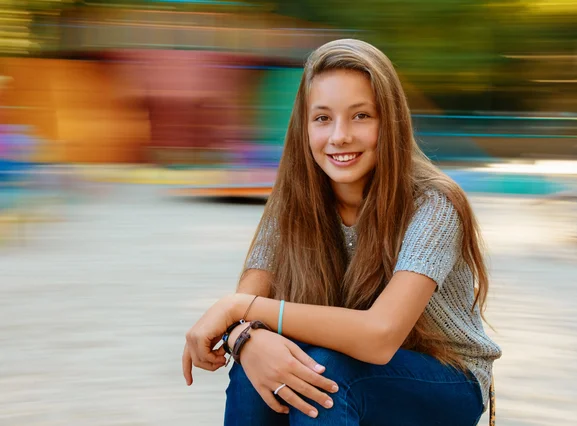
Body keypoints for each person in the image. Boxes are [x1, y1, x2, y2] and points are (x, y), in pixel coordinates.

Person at [182, 38, 502, 426]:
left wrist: (235, 311)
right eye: (322, 118)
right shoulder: (291, 206)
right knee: (263, 368)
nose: (339, 136)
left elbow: (380, 336)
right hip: (342, 363)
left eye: (361, 116)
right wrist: (245, 340)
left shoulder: (434, 206)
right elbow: (248, 308)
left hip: (447, 379)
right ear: (304, 127)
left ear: (391, 121)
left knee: (323, 374)